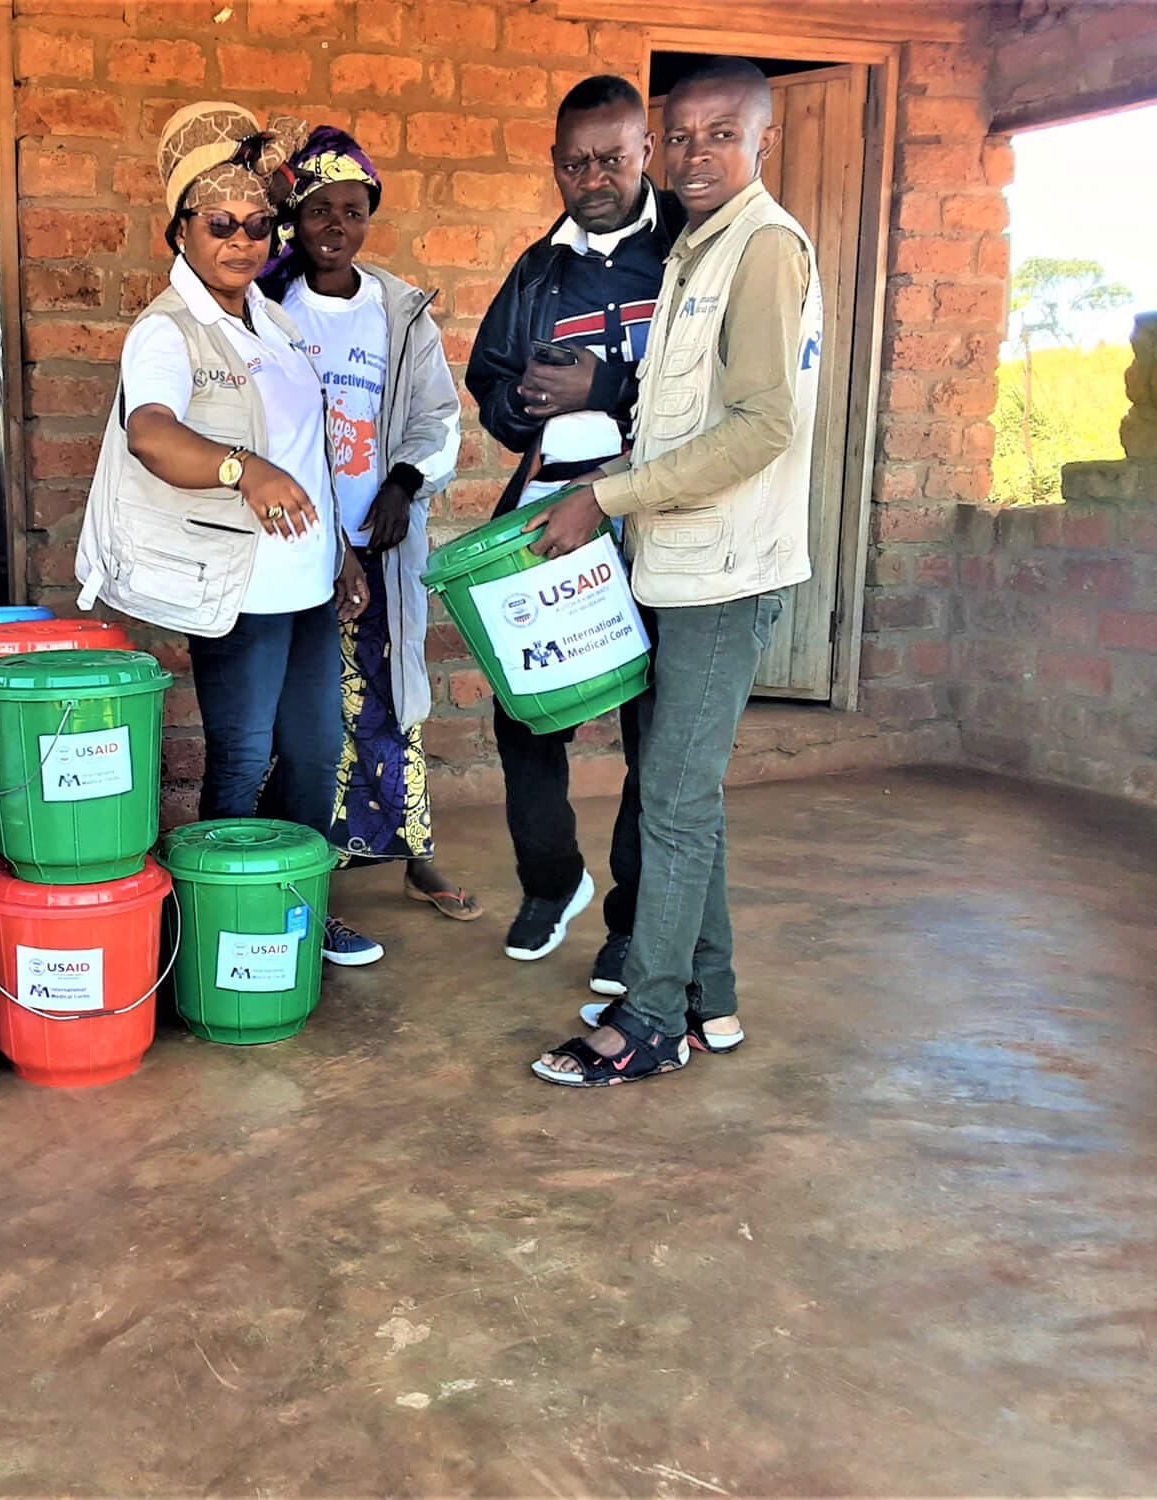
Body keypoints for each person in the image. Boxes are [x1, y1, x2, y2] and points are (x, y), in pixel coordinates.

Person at [524, 56, 821, 1086]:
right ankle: (712, 1002)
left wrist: (602, 498)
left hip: (722, 573)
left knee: (672, 799)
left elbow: (759, 428)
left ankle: (648, 1021)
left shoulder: (762, 251)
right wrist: (607, 476)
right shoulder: (700, 248)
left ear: (759, 143)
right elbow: (678, 421)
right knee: (680, 792)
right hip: (676, 562)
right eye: (682, 135)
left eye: (718, 135)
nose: (697, 154)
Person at [75, 101, 375, 968]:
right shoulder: (165, 331)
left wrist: (341, 552)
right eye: (220, 224)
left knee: (316, 754)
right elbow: (153, 435)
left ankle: (303, 915)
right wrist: (246, 468)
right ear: (179, 230)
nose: (242, 240)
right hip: (237, 587)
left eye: (257, 224)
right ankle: (223, 928)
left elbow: (305, 456)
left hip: (308, 583)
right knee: (244, 759)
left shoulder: (271, 325)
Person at [466, 75, 683, 993]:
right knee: (525, 711)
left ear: (646, 152)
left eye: (612, 157)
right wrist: (519, 403)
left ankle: (633, 927)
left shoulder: (691, 248)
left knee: (654, 732)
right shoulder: (536, 270)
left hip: (665, 518)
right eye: (574, 162)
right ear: (556, 164)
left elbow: (720, 390)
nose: (593, 176)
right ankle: (552, 882)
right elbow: (489, 381)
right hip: (553, 512)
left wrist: (610, 391)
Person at [262, 127, 474, 939]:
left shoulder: (399, 311)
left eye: (353, 210)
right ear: (297, 217)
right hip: (296, 545)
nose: (336, 225)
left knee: (391, 700)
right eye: (320, 209)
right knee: (308, 713)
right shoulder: (271, 307)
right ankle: (312, 867)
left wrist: (402, 483)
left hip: (382, 547)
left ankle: (415, 854)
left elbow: (439, 420)